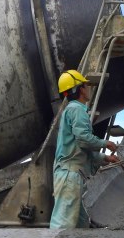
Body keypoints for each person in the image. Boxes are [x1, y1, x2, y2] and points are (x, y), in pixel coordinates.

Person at [50, 70, 118, 229]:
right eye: (86, 85)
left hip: (72, 175)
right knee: (63, 225)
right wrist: (105, 143)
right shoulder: (77, 109)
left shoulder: (72, 110)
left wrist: (106, 158)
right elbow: (83, 139)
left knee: (81, 226)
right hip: (70, 175)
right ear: (80, 88)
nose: (88, 88)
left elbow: (81, 149)